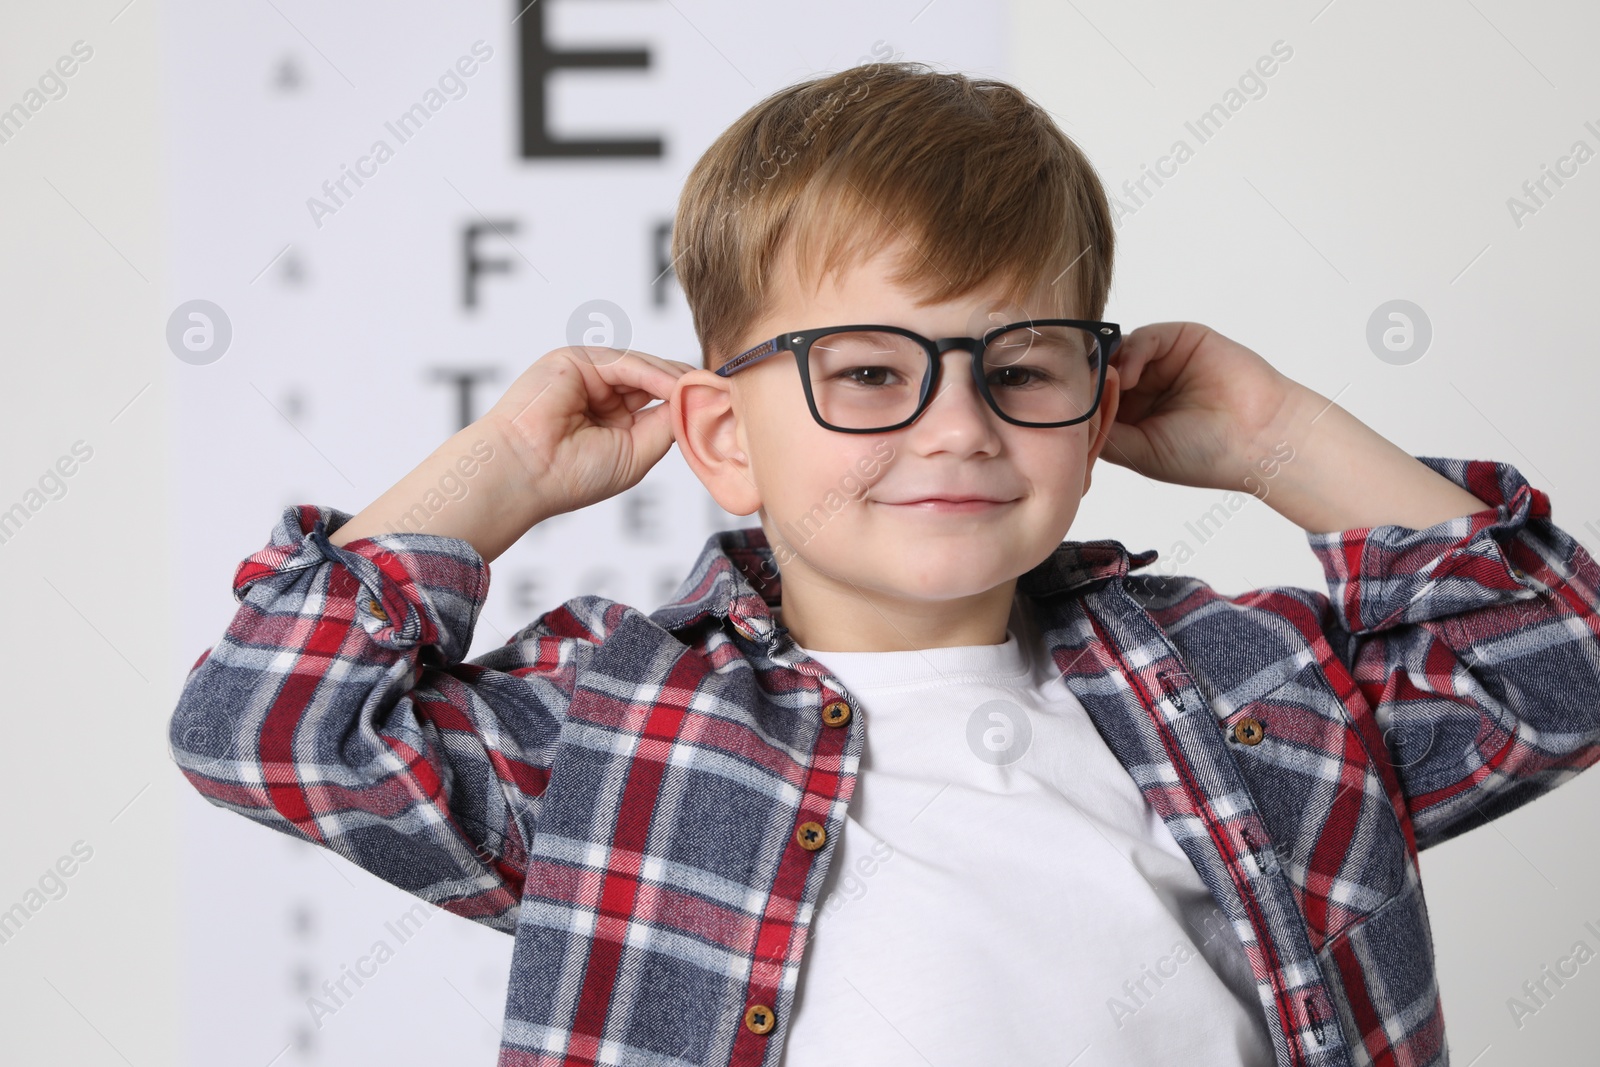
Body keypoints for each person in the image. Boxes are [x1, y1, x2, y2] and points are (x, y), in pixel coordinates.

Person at [166, 60, 1600, 1067]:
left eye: (1023, 366)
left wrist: (1280, 435)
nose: (958, 428)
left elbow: (1556, 670)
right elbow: (265, 724)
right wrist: (498, 477)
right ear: (723, 437)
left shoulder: (1251, 685)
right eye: (865, 373)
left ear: (1097, 405)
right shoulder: (614, 721)